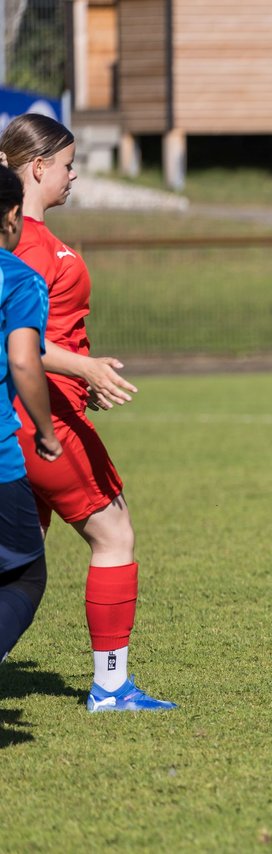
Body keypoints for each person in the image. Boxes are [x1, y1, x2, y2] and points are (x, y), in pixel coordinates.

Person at [0, 114, 176, 711]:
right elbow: (20, 341)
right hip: (41, 423)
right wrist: (85, 368)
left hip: (46, 411)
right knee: (114, 534)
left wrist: (82, 375)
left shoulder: (36, 237)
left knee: (19, 562)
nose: (74, 176)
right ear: (39, 166)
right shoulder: (24, 238)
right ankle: (110, 686)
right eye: (69, 164)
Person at [0, 162, 62, 663]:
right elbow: (24, 359)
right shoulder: (19, 278)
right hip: (0, 459)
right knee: (24, 575)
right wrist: (44, 429)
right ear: (13, 216)